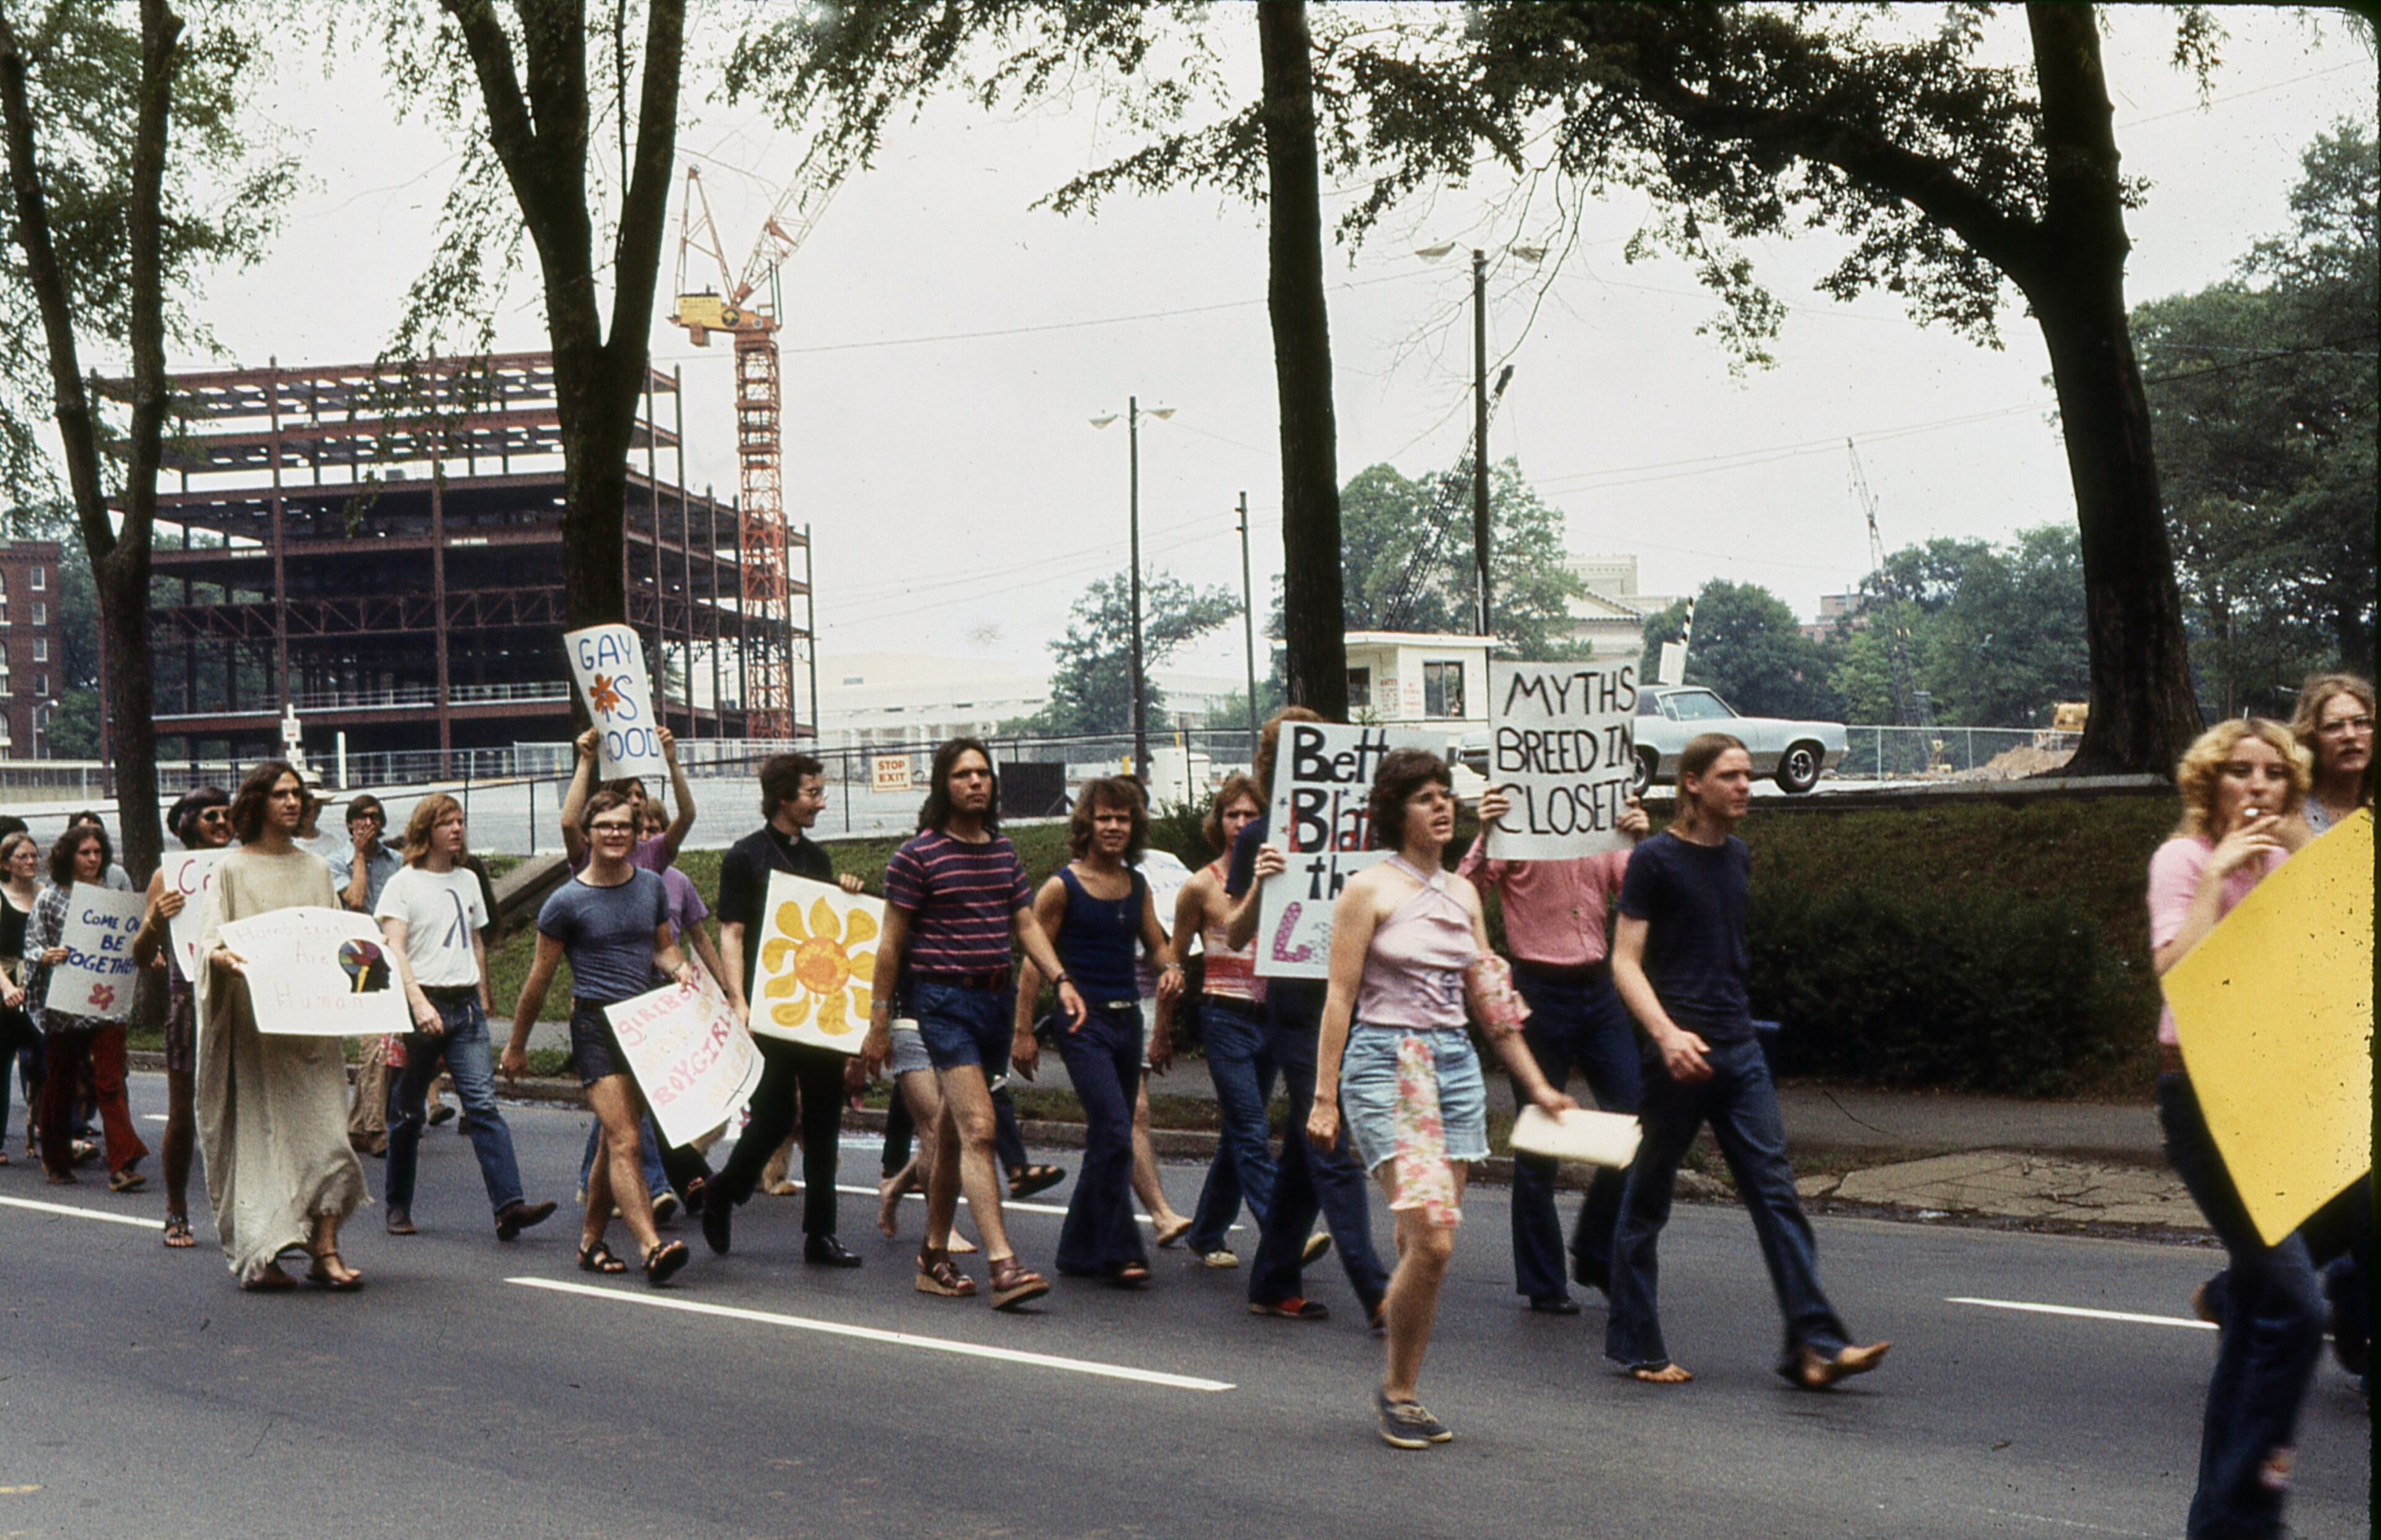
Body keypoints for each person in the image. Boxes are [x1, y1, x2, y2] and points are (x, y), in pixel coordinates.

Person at [1309, 748, 1577, 1448]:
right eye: (1426, 797)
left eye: (1445, 796)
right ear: (1398, 811)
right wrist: (1323, 1096)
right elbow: (1339, 996)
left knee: (1420, 1241)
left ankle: (1404, 1385)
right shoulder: (1367, 890)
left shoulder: (1462, 894)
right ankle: (1396, 1389)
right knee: (1433, 1240)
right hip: (1388, 1064)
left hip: (1455, 1066)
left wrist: (1538, 1085)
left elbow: (1490, 995)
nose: (1442, 807)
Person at [1605, 733, 1887, 1387]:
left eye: (1747, 776)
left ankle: (1813, 1346)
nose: (1744, 786)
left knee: (1776, 1196)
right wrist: (1666, 1036)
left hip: (1739, 1049)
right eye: (1730, 776)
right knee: (1647, 1201)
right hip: (1677, 1057)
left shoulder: (1737, 856)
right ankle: (1638, 1345)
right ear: (1693, 784)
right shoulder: (1654, 860)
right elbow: (1623, 962)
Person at [2152, 718, 2325, 1539]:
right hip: (2203, 1099)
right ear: (2209, 786)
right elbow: (2182, 979)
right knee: (2297, 1302)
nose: (2258, 787)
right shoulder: (2183, 861)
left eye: (2272, 775)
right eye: (2239, 773)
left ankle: (2216, 1522)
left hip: (2268, 1097)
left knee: (2261, 1307)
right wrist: (2219, 871)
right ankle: (2246, 1516)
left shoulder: (2286, 866)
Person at [860, 737, 1085, 1311]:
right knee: (981, 1127)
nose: (976, 783)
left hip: (993, 1002)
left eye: (983, 774)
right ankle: (1003, 1264)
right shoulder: (918, 855)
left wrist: (1060, 979)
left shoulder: (1003, 852)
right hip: (942, 1004)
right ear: (944, 785)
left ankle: (933, 1256)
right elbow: (891, 944)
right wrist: (878, 1021)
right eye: (963, 775)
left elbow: (1027, 925)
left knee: (957, 1133)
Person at [1458, 784, 1651, 1312]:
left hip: (1597, 986)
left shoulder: (1598, 825)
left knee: (1635, 1121)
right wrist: (1485, 832)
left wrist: (1640, 839)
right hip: (1539, 987)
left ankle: (1593, 1247)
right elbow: (1462, 894)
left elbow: (1635, 892)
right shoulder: (1517, 828)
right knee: (1539, 1140)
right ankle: (1543, 1282)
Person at [1227, 708, 1386, 1324]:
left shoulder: (1358, 829)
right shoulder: (1258, 836)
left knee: (1303, 1147)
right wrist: (1262, 885)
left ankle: (1272, 1280)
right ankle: (1378, 1290)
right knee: (1330, 1138)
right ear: (1273, 763)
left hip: (1354, 998)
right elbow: (1236, 932)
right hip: (1297, 1007)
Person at [503, 787, 694, 1286]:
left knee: (615, 1144)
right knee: (627, 1139)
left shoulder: (651, 886)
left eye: (625, 826)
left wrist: (681, 970)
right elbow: (538, 980)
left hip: (646, 1025)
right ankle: (653, 1247)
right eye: (605, 826)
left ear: (637, 834)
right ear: (587, 835)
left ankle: (590, 1242)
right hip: (595, 1026)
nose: (615, 834)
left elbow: (662, 951)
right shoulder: (565, 902)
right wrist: (516, 1045)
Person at [197, 761, 370, 1291]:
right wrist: (222, 960)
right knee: (265, 1142)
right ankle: (265, 1251)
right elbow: (209, 943)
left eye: (297, 794)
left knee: (327, 1139)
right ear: (257, 803)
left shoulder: (317, 869)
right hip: (255, 1031)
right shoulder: (232, 870)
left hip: (311, 1027)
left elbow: (333, 941)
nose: (292, 803)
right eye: (280, 794)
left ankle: (325, 1250)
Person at [704, 751, 871, 1267]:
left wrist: (848, 895)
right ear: (783, 798)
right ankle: (725, 1190)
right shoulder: (744, 857)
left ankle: (820, 1233)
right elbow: (731, 932)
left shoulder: (817, 858)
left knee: (823, 1119)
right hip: (770, 1008)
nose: (821, 801)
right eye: (813, 793)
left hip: (817, 1009)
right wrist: (738, 999)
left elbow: (828, 930)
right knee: (774, 1114)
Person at [1014, 777, 1180, 1287]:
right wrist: (1023, 1031)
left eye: (1123, 819)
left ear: (1135, 827)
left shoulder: (1137, 886)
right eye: (1104, 818)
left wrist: (1170, 966)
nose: (1113, 827)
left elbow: (1155, 944)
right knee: (1114, 1129)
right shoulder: (1062, 886)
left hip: (1127, 1019)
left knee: (1108, 1137)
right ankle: (1119, 1250)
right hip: (1080, 1022)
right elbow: (1032, 962)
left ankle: (1076, 1249)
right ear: (1086, 824)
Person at [375, 794, 557, 1243]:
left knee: (483, 1105)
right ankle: (398, 1204)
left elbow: (474, 938)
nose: (456, 829)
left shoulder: (469, 878)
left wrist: (483, 986)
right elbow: (394, 948)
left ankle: (509, 1205)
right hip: (422, 1006)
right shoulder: (404, 884)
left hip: (465, 1008)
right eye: (445, 823)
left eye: (459, 821)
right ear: (425, 832)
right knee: (406, 1112)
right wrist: (418, 1004)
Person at [1172, 774, 1274, 1268]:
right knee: (1253, 1129)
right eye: (1232, 815)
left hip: (1271, 1019)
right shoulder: (1201, 885)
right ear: (1219, 821)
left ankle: (1207, 1232)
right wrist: (1159, 1032)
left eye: (1250, 815)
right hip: (1224, 1017)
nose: (1240, 824)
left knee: (1239, 1133)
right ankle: (1283, 1236)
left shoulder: (1277, 875)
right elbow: (1175, 960)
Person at [130, 786, 234, 1246]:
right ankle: (176, 1206)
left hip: (237, 1000)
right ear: (187, 823)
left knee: (246, 1112)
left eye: (228, 815)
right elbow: (140, 953)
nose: (221, 823)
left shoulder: (242, 866)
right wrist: (157, 920)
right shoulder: (166, 876)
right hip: (187, 1000)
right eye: (211, 815)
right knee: (182, 1114)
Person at [25, 825, 149, 1190]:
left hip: (108, 1005)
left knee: (110, 1082)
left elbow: (129, 940)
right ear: (69, 857)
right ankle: (57, 1159)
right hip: (66, 1005)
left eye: (97, 852)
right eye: (85, 853)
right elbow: (32, 944)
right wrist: (45, 956)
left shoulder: (112, 897)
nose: (93, 859)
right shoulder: (50, 898)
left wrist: (148, 954)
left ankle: (122, 1163)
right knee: (61, 1082)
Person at [332, 794, 406, 1157]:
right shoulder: (336, 862)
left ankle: (357, 1124)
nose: (369, 824)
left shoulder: (396, 862)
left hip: (394, 952)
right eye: (361, 819)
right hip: (359, 955)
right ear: (350, 825)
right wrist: (359, 856)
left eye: (375, 818)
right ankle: (375, 1127)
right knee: (374, 1041)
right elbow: (356, 900)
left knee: (383, 1045)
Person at [559, 724, 696, 872]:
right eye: (626, 795)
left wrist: (672, 762)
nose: (635, 801)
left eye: (640, 795)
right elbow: (569, 824)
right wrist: (585, 761)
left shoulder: (652, 852)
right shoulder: (589, 853)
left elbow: (687, 816)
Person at [0, 831, 42, 1166]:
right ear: (5, 864)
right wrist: (6, 988)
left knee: (50, 1059)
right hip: (6, 991)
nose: (30, 862)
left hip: (38, 992)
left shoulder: (45, 896)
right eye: (22, 857)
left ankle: (53, 1131)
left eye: (34, 856)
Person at [64, 810, 132, 892]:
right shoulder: (59, 880)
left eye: (98, 834)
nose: (92, 858)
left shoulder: (118, 876)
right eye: (85, 852)